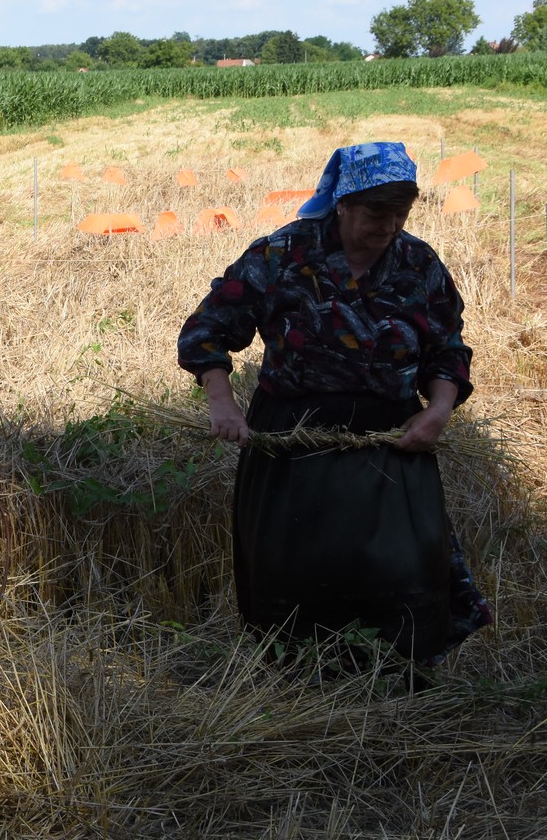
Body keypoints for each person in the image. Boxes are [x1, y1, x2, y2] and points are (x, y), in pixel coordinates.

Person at [177, 141, 492, 667]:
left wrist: (437, 411)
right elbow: (207, 330)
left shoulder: (419, 265)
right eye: (376, 212)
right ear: (342, 203)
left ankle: (394, 681)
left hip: (389, 442)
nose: (389, 225)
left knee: (400, 566)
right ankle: (299, 683)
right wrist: (221, 402)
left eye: (401, 212)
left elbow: (448, 351)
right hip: (292, 441)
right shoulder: (281, 255)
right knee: (294, 569)